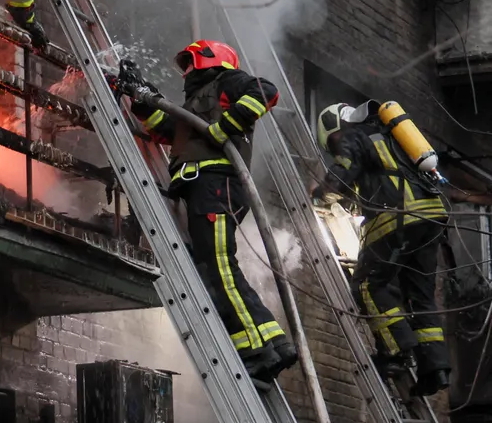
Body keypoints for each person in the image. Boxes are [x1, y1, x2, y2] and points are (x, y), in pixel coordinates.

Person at [128, 40, 299, 382]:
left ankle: (256, 348)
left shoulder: (227, 82)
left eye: (191, 62)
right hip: (204, 188)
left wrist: (225, 127)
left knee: (219, 265)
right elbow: (170, 131)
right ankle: (273, 344)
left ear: (211, 60)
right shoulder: (196, 102)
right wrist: (141, 98)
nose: (187, 70)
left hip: (216, 185)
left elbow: (266, 90)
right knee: (215, 267)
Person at [313, 102, 450, 396]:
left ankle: (397, 352)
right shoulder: (390, 138)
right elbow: (379, 178)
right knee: (420, 295)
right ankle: (435, 369)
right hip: (431, 216)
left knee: (366, 285)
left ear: (335, 128)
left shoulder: (353, 136)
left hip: (399, 218)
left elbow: (342, 174)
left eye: (332, 143)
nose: (335, 147)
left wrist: (319, 195)